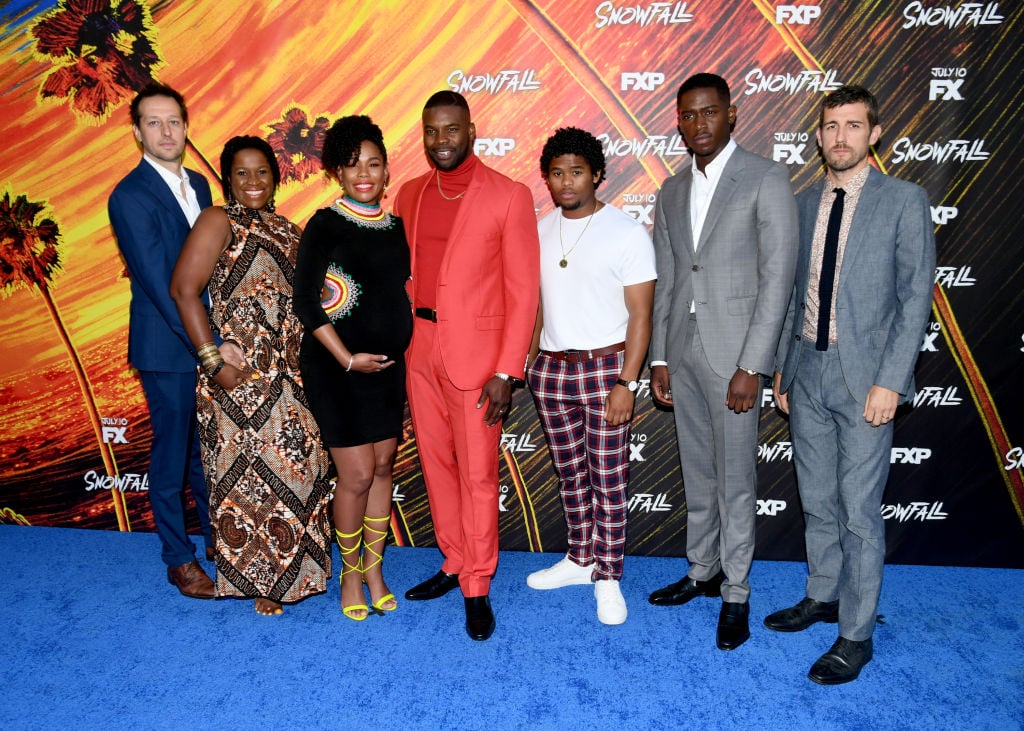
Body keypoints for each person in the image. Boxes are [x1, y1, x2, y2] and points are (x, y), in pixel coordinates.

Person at [766, 85, 935, 684]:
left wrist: (892, 380)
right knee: (816, 498)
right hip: (806, 369)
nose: (841, 137)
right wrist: (784, 365)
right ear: (819, 136)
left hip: (865, 377)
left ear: (874, 134)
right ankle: (823, 595)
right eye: (831, 126)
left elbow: (915, 297)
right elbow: (794, 293)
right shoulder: (804, 203)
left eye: (854, 126)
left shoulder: (904, 200)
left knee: (859, 511)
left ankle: (856, 635)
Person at [647, 73, 798, 651]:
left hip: (735, 354)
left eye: (710, 112)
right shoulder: (671, 189)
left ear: (731, 114)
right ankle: (702, 570)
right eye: (688, 115)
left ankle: (736, 590)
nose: (699, 123)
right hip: (683, 351)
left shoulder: (765, 177)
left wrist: (752, 364)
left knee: (736, 479)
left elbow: (778, 277)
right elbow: (667, 279)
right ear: (679, 122)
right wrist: (660, 356)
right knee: (698, 472)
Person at [394, 90, 540, 641]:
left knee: (478, 474)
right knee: (436, 465)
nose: (442, 140)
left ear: (472, 131)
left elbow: (523, 293)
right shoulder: (409, 194)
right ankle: (454, 560)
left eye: (452, 129)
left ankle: (477, 583)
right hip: (419, 346)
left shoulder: (509, 195)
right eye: (432, 130)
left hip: (478, 359)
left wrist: (506, 371)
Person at [170, 136, 333, 616]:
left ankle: (299, 573)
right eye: (242, 173)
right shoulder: (218, 220)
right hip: (241, 375)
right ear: (228, 179)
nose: (253, 181)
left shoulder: (288, 229)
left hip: (293, 374)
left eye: (262, 171)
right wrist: (213, 362)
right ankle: (263, 582)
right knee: (251, 482)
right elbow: (183, 289)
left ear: (275, 177)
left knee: (300, 471)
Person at [524, 127, 656, 625]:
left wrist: (627, 382)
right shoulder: (539, 230)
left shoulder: (626, 232)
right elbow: (537, 304)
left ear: (597, 174)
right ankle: (580, 559)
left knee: (608, 478)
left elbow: (641, 315)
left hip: (606, 370)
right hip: (551, 370)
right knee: (570, 475)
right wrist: (530, 362)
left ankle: (609, 576)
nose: (566, 182)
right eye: (557, 173)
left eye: (576, 172)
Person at [292, 115, 412, 621]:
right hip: (336, 370)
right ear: (337, 173)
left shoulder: (398, 228)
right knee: (358, 474)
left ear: (387, 170)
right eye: (353, 164)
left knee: (383, 468)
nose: (364, 174)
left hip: (387, 372)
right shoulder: (325, 224)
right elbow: (305, 301)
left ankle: (376, 570)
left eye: (373, 163)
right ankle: (351, 574)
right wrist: (346, 358)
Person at [108, 83, 217, 599]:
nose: (166, 131)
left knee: (205, 455)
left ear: (186, 126)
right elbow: (160, 283)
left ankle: (220, 541)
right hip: (168, 346)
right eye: (154, 123)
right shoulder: (129, 196)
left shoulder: (201, 185)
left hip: (208, 339)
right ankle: (178, 559)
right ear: (137, 132)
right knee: (172, 457)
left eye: (173, 121)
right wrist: (208, 346)